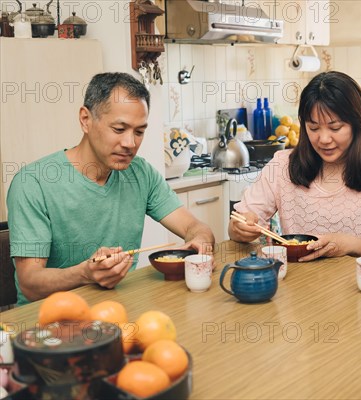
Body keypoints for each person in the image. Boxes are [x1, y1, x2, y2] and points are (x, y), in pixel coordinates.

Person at [7, 72, 215, 306]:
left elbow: (195, 227)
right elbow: (30, 283)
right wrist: (85, 273)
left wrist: (200, 241)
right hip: (46, 325)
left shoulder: (140, 173)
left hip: (116, 312)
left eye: (139, 132)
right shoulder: (33, 183)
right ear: (85, 119)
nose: (130, 143)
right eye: (119, 129)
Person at [229, 71, 361, 261]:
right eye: (313, 128)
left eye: (335, 128)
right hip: (299, 283)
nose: (324, 139)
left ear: (358, 124)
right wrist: (241, 229)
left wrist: (350, 245)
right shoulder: (282, 165)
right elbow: (237, 226)